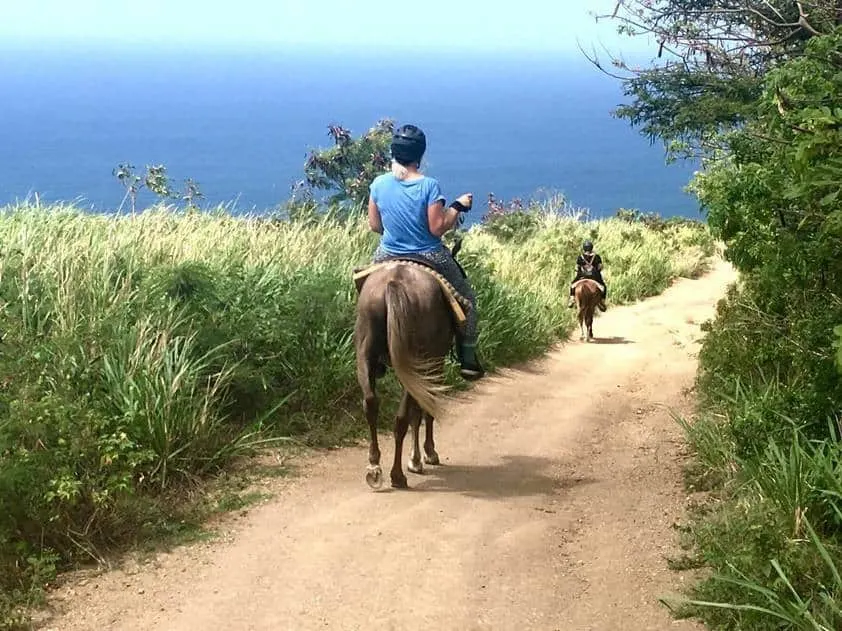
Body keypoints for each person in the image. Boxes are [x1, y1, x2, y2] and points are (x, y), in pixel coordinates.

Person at [367, 124, 484, 381]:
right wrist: (457, 206)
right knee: (467, 301)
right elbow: (437, 228)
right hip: (429, 255)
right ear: (420, 154)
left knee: (365, 288)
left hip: (386, 254)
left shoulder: (378, 184)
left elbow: (374, 225)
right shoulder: (429, 186)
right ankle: (467, 358)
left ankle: (373, 350)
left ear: (394, 152)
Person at [568, 240, 607, 311]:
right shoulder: (596, 256)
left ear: (584, 248)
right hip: (594, 277)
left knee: (572, 285)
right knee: (604, 287)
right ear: (591, 248)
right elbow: (600, 267)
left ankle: (572, 299)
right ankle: (602, 302)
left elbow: (576, 268)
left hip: (581, 276)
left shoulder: (580, 257)